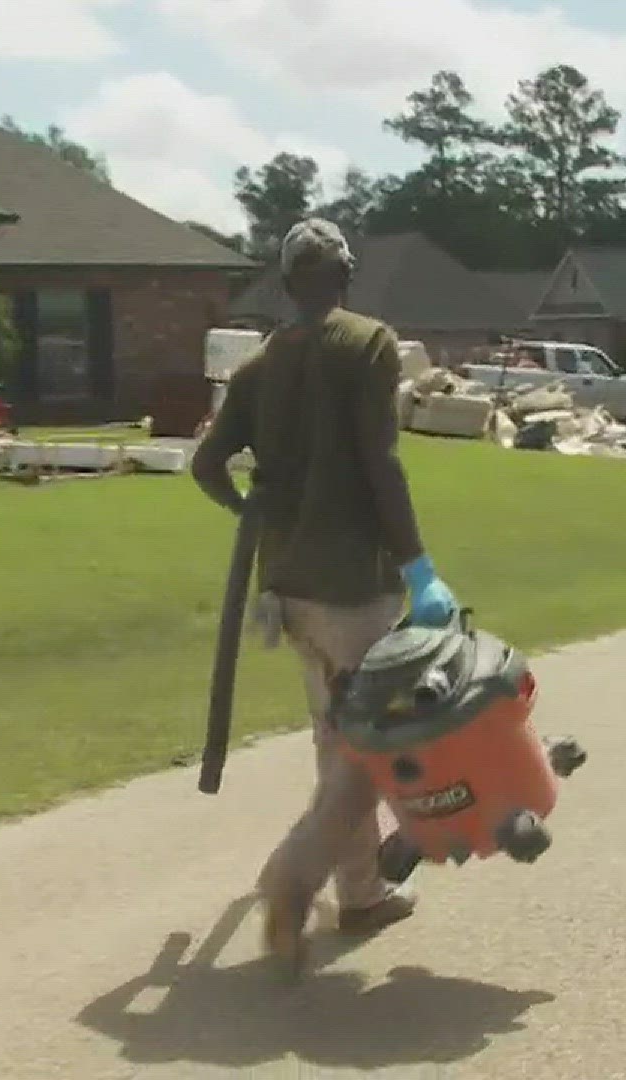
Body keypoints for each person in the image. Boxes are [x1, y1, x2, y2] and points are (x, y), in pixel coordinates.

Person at [189, 218, 461, 974]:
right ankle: (295, 876)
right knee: (377, 746)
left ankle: (363, 892)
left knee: (336, 739)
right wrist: (418, 566)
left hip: (288, 590)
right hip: (353, 586)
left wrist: (253, 510)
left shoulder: (257, 368)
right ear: (346, 274)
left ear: (285, 283)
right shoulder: (367, 343)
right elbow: (380, 463)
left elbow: (207, 465)